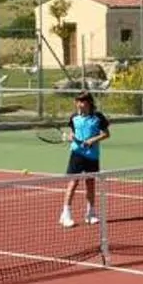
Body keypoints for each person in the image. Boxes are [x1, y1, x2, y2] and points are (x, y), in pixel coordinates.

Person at [59, 91, 109, 227]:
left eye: (82, 101)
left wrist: (92, 140)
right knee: (73, 182)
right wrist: (70, 137)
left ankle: (91, 213)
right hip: (77, 154)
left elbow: (106, 134)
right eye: (77, 101)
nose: (79, 104)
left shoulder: (98, 117)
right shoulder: (74, 117)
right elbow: (73, 133)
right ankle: (66, 213)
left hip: (92, 155)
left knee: (90, 183)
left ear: (89, 103)